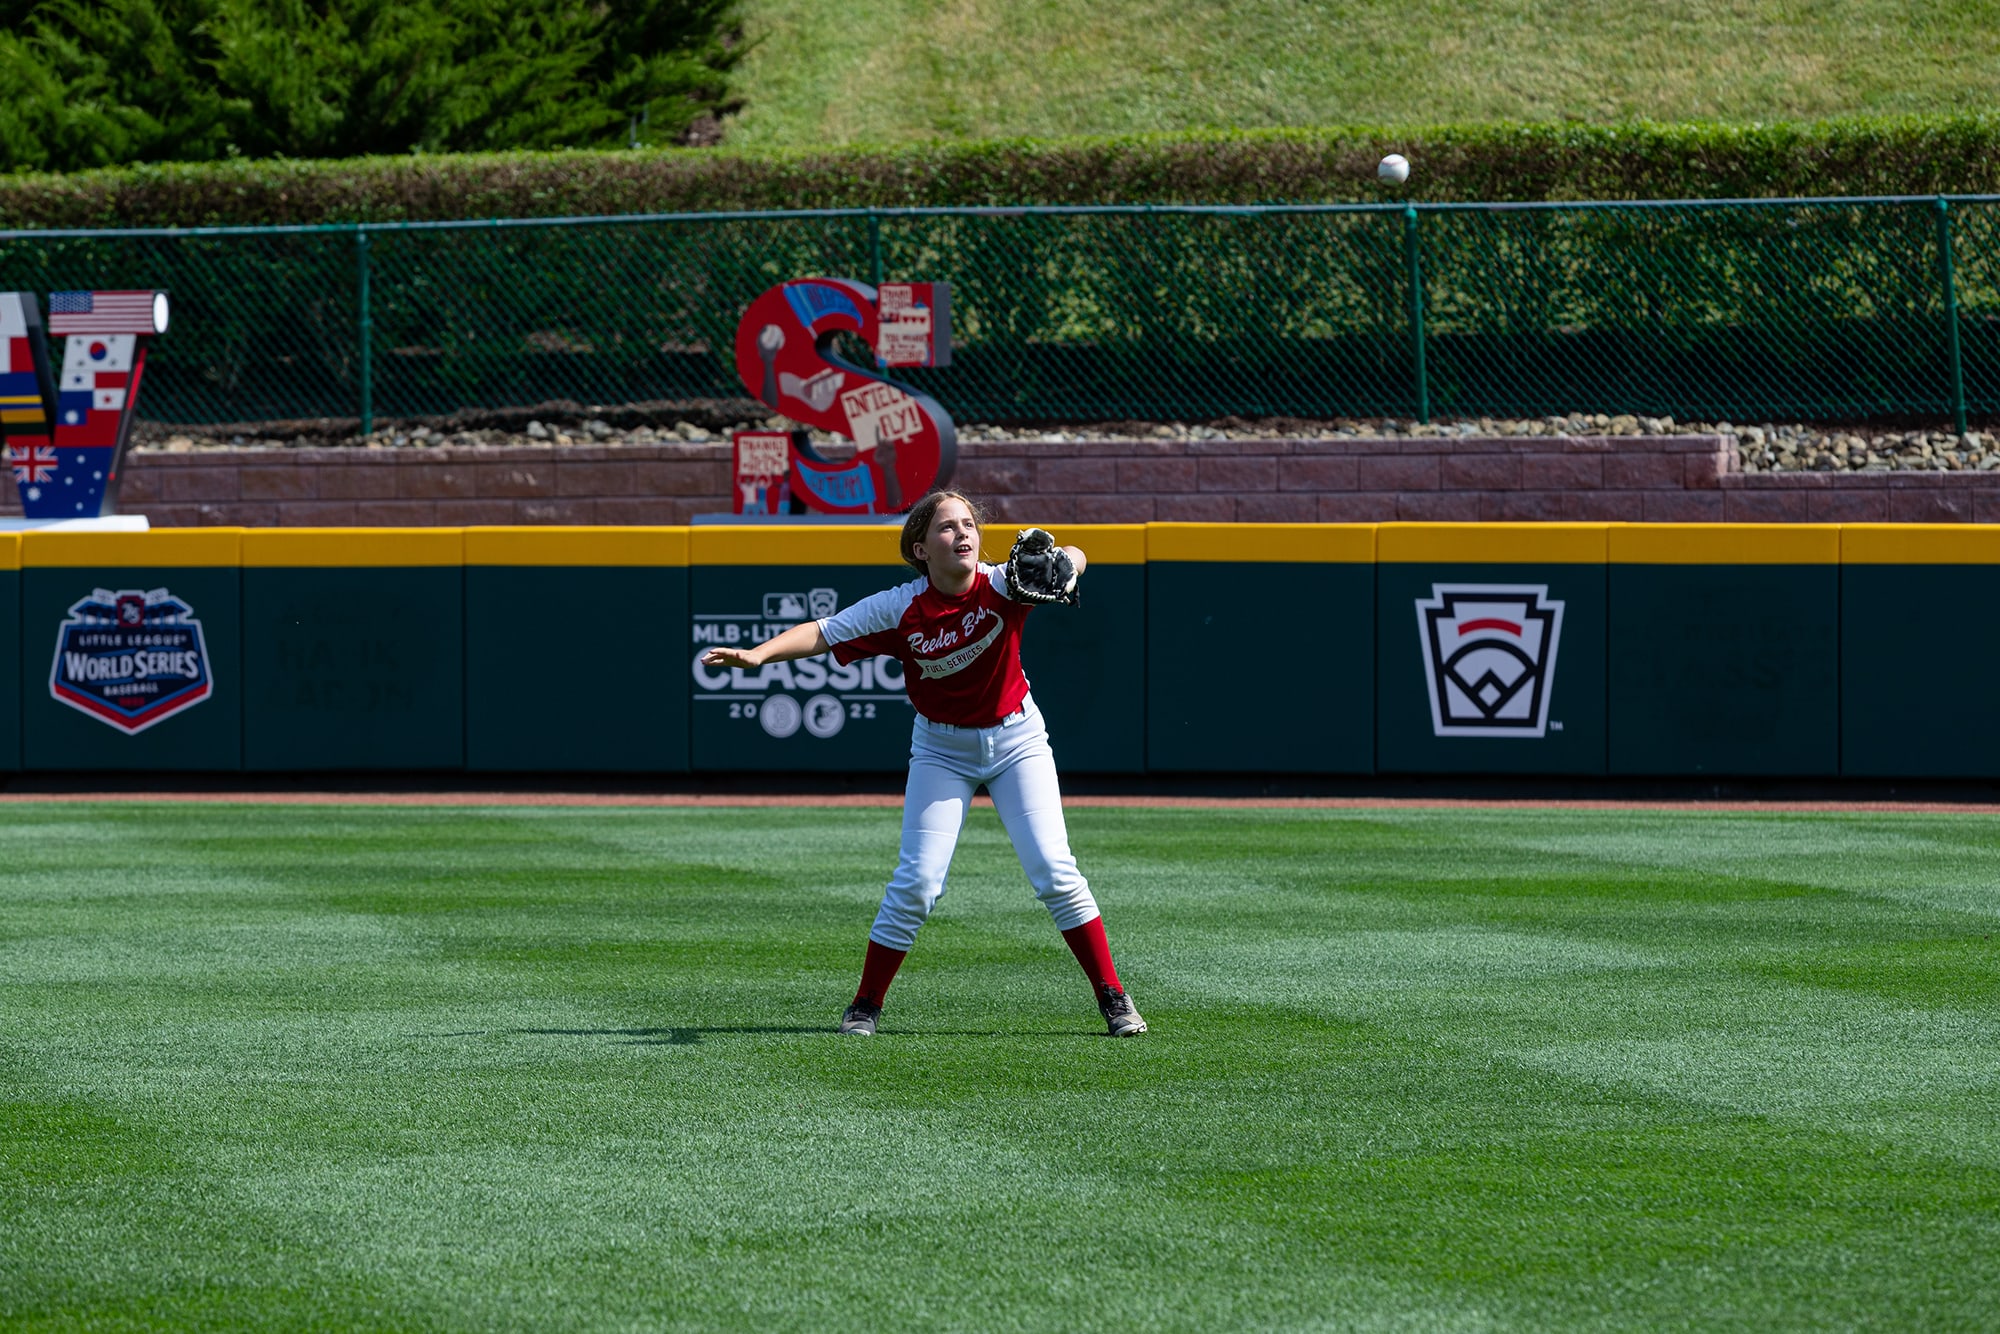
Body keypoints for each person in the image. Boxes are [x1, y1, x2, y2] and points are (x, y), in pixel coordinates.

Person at [699, 491, 1146, 1038]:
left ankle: (1114, 998)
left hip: (1017, 740)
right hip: (941, 749)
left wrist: (1066, 564)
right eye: (946, 528)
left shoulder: (1004, 582)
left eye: (968, 525)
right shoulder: (900, 607)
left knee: (1055, 870)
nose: (962, 534)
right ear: (920, 547)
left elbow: (1075, 554)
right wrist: (758, 654)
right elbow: (825, 631)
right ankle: (864, 1004)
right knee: (917, 882)